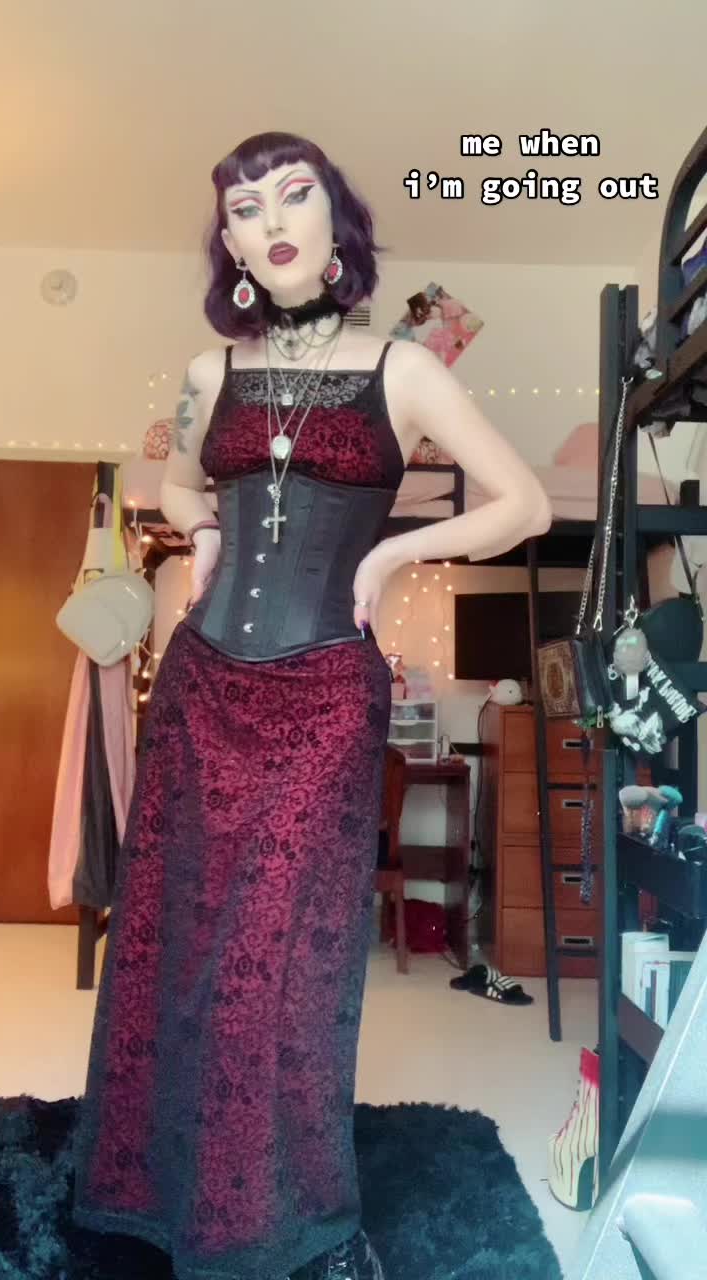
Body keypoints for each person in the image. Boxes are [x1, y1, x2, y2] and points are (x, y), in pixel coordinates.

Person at [71, 131, 551, 1280]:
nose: (272, 218)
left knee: (278, 959)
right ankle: (157, 1189)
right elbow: (180, 477)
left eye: (295, 195)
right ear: (231, 245)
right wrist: (201, 530)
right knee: (181, 940)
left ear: (337, 222)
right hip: (202, 685)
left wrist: (391, 555)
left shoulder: (405, 370)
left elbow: (524, 502)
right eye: (245, 207)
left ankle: (267, 1217)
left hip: (326, 691)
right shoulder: (209, 375)